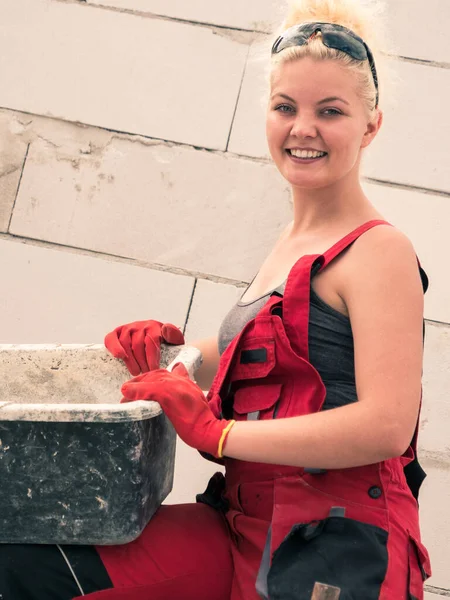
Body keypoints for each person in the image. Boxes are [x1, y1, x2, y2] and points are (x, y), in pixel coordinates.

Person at [0, 0, 432, 598]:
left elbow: (386, 424)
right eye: (286, 107)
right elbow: (272, 343)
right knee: (28, 568)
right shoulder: (293, 239)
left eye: (330, 111)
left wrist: (217, 433)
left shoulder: (378, 249)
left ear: (371, 125)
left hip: (336, 548)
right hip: (238, 522)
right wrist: (173, 353)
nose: (302, 127)